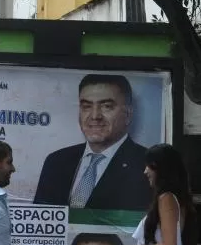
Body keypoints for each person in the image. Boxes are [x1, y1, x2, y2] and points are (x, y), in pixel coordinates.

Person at [33, 74, 151, 211]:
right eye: (86, 107)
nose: (95, 116)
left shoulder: (148, 165)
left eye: (107, 106)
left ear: (128, 114)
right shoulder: (56, 162)